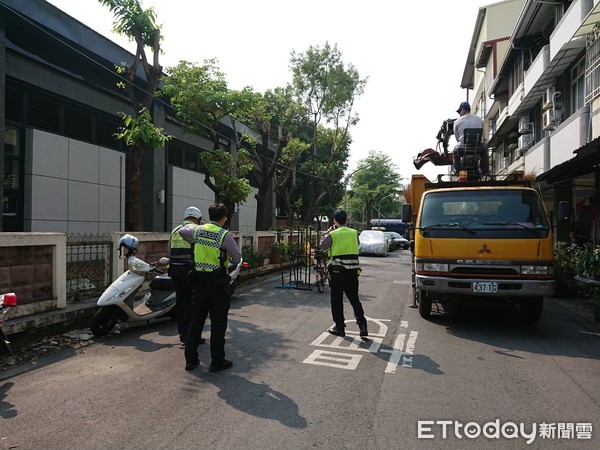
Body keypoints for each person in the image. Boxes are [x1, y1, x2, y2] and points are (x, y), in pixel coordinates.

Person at [179, 203, 241, 372]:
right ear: (224, 218)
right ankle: (217, 361)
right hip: (218, 285)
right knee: (218, 324)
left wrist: (198, 227)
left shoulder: (197, 231)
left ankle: (191, 360)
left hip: (199, 283)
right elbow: (237, 257)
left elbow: (182, 231)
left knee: (196, 321)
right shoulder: (224, 235)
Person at [319, 209, 368, 338]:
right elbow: (357, 244)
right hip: (352, 271)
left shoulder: (333, 234)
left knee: (337, 300)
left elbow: (322, 246)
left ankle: (339, 327)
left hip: (337, 272)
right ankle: (362, 326)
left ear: (335, 220)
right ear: (347, 220)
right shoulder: (354, 233)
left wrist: (327, 233)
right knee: (354, 299)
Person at [168, 206, 204, 346]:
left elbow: (169, 251)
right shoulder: (196, 230)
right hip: (189, 271)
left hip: (175, 271)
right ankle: (191, 335)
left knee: (181, 302)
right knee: (192, 303)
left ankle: (183, 333)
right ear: (198, 218)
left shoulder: (175, 231)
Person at [452, 101, 488, 175]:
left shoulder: (457, 122)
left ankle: (458, 171)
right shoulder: (479, 119)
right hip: (478, 146)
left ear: (463, 110)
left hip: (463, 147)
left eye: (460, 112)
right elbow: (483, 134)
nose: (460, 114)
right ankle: (484, 171)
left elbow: (457, 138)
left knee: (455, 152)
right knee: (484, 151)